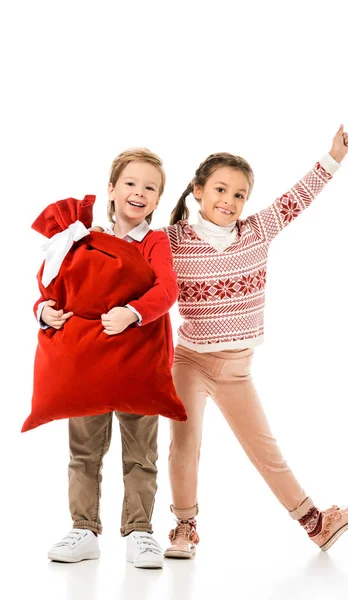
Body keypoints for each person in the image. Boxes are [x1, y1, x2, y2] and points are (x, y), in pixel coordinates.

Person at [162, 125, 348, 558]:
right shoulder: (173, 241)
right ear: (197, 190)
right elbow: (130, 255)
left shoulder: (258, 231)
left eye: (239, 195)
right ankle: (183, 527)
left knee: (265, 450)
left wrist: (334, 156)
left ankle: (316, 525)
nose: (229, 201)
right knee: (185, 443)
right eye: (220, 189)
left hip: (236, 369)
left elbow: (298, 197)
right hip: (189, 361)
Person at [35, 148, 178, 569]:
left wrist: (133, 312)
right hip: (88, 365)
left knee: (140, 454)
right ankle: (83, 529)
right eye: (130, 184)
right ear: (112, 189)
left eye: (150, 188)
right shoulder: (82, 238)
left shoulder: (155, 241)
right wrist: (43, 311)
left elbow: (166, 290)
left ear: (158, 199)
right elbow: (51, 287)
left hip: (138, 364)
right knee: (84, 451)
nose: (139, 193)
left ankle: (139, 532)